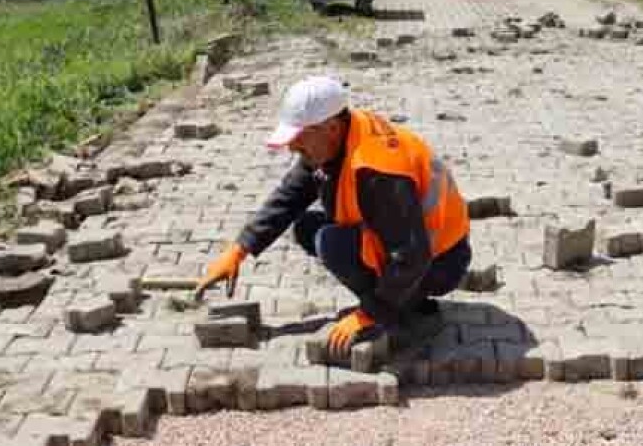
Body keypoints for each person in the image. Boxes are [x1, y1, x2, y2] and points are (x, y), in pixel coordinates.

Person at [196, 75, 472, 358]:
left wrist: (369, 313)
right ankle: (393, 298)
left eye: (299, 139)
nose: (292, 148)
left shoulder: (378, 169)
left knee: (331, 243)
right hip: (411, 242)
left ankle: (401, 314)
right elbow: (290, 196)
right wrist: (240, 249)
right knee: (306, 227)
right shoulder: (341, 136)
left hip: (438, 261)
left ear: (330, 128)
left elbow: (413, 255)